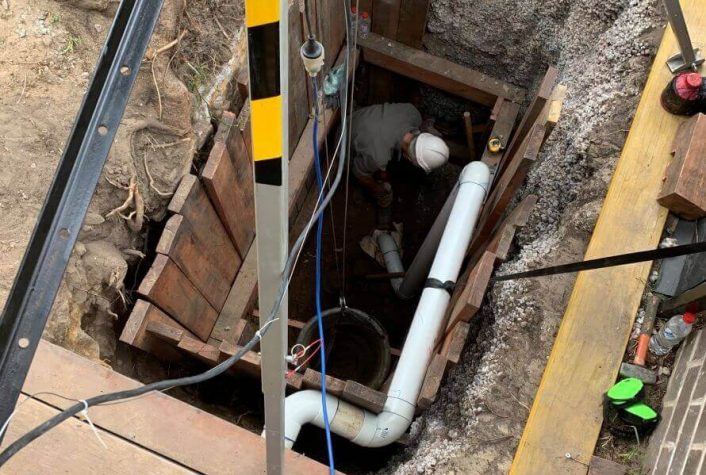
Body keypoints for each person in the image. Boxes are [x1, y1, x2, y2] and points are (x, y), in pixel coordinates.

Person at [350, 103, 449, 225]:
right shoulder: (378, 156)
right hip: (345, 141)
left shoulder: (413, 113)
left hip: (359, 118)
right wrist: (377, 187)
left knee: (379, 163)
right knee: (375, 181)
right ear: (408, 158)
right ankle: (379, 197)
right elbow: (359, 173)